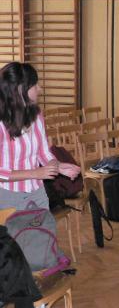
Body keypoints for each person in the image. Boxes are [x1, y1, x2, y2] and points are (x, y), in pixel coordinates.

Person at [0, 62, 80, 231]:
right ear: (20, 89)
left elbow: (43, 152)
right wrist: (35, 173)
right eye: (35, 85)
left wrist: (57, 166)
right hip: (8, 198)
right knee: (16, 246)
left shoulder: (36, 115)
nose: (40, 89)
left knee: (43, 242)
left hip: (37, 193)